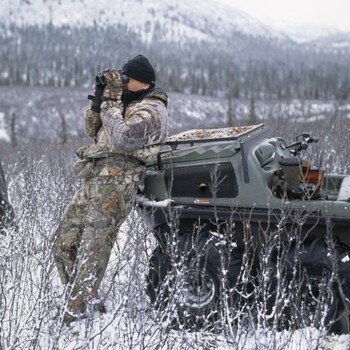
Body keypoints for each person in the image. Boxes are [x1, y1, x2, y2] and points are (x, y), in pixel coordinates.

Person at [53, 55, 169, 324]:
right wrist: (99, 97)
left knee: (93, 248)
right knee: (63, 243)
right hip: (94, 179)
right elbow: (91, 128)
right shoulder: (119, 103)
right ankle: (85, 297)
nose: (123, 83)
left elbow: (123, 137)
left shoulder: (154, 110)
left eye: (127, 79)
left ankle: (78, 311)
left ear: (143, 81)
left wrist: (111, 100)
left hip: (119, 183)